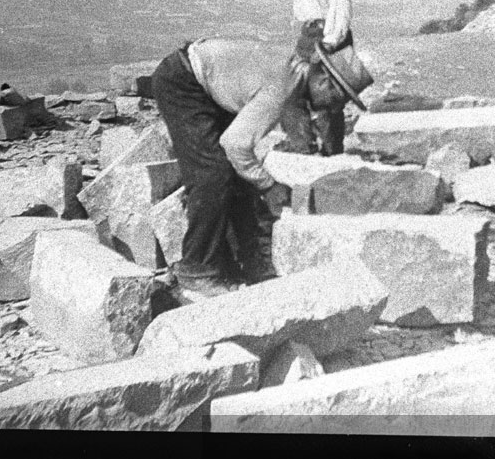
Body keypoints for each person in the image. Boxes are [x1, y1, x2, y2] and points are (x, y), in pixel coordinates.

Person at [144, 35, 373, 296]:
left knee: (239, 179)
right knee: (212, 174)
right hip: (183, 82)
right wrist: (268, 185)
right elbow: (235, 144)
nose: (333, 108)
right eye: (337, 100)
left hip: (206, 83)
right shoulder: (282, 89)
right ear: (323, 81)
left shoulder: (294, 74)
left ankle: (246, 266)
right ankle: (196, 270)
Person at [278, 0, 354, 155]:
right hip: (308, 36)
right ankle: (304, 147)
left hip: (329, 37)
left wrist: (329, 44)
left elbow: (341, 8)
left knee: (327, 103)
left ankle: (333, 153)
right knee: (289, 95)